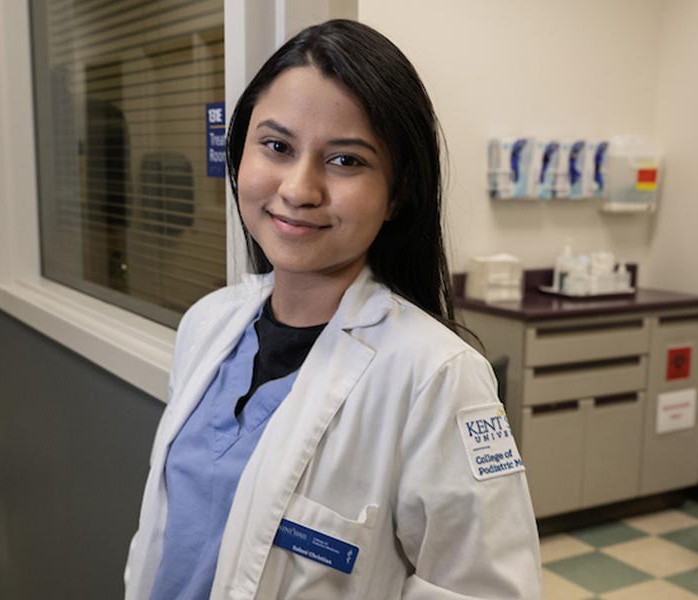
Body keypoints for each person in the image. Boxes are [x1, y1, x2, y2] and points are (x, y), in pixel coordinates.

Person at [124, 19, 540, 600]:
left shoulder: (437, 376)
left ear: (398, 194)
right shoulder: (208, 323)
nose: (299, 188)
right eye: (276, 146)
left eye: (345, 161)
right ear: (238, 156)